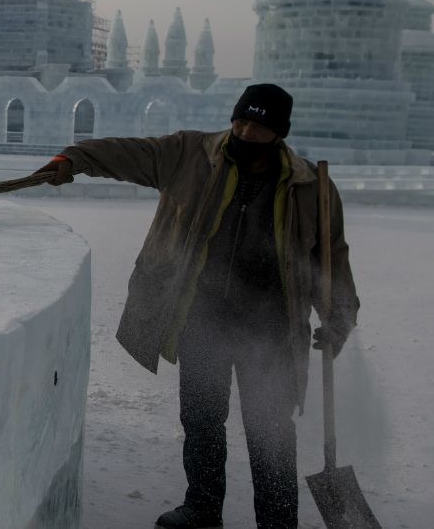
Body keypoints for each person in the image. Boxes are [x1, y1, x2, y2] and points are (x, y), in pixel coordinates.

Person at [34, 83, 358, 529]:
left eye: (258, 126)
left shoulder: (310, 186)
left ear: (279, 132)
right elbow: (133, 153)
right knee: (203, 422)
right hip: (202, 316)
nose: (245, 132)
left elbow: (330, 256)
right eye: (240, 120)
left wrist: (339, 316)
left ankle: (278, 523)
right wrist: (76, 159)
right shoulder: (191, 155)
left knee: (272, 434)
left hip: (271, 327)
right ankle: (203, 509)